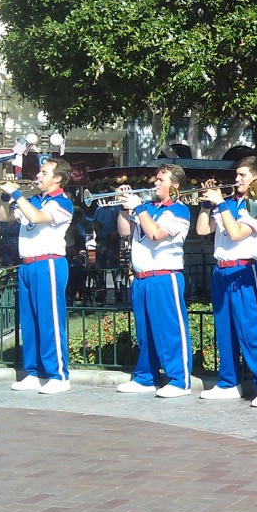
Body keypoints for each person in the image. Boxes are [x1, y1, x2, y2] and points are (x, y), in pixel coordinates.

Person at [195, 157, 257, 404]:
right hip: (222, 270)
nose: (236, 179)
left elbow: (236, 233)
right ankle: (229, 382)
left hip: (245, 270)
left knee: (252, 329)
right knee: (225, 329)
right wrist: (205, 204)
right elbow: (202, 230)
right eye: (237, 174)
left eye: (242, 175)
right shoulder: (229, 203)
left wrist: (220, 203)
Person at [114, 165, 195, 398]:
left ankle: (180, 380)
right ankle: (146, 377)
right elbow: (124, 231)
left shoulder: (179, 211)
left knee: (170, 330)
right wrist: (123, 207)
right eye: (156, 179)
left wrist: (138, 208)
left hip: (163, 276)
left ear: (175, 185)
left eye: (161, 180)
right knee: (145, 332)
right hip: (141, 278)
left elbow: (155, 234)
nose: (155, 183)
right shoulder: (148, 208)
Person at [0, 158, 75, 395]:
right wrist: (4, 195)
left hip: (48, 263)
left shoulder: (62, 202)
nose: (38, 176)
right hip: (28, 265)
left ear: (58, 178)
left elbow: (36, 218)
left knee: (50, 320)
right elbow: (2, 216)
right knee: (29, 321)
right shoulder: (32, 200)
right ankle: (32, 371)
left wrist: (18, 195)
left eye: (44, 173)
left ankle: (58, 375)